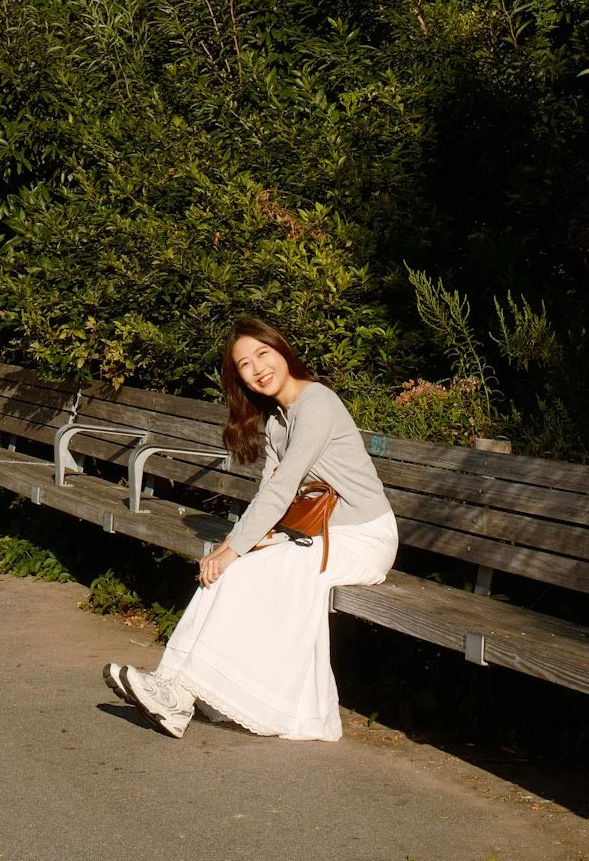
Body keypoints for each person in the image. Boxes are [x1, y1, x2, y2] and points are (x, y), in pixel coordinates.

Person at [104, 316, 397, 740]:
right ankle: (172, 688)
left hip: (366, 537)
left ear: (283, 352)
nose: (258, 367)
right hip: (322, 537)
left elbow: (282, 489)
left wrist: (233, 548)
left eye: (263, 353)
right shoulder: (278, 421)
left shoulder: (318, 403)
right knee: (231, 570)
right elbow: (269, 494)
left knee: (249, 567)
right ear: (239, 378)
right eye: (245, 364)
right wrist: (228, 550)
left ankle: (181, 693)